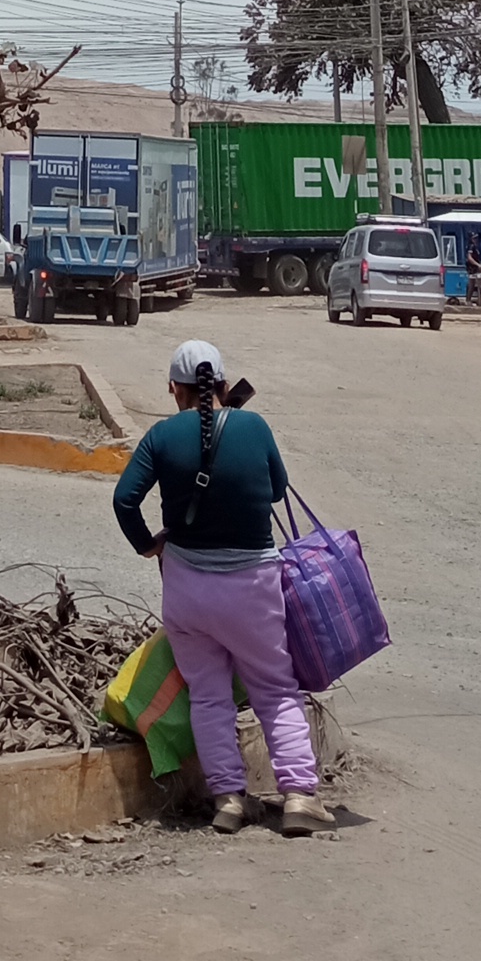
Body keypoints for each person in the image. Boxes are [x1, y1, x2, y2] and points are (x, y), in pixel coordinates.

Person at [113, 337, 323, 836]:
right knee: (275, 689)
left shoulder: (161, 436)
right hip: (252, 588)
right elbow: (276, 489)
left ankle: (228, 799)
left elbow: (124, 500)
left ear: (174, 388)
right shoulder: (253, 426)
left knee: (208, 697)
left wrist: (148, 545)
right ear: (225, 384)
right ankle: (298, 796)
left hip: (187, 591)